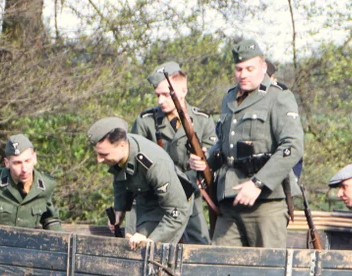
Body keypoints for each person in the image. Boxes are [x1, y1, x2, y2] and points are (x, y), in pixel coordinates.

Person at [189, 38, 304, 248]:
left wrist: (258, 183)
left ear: (263, 66)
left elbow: (292, 147)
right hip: (229, 200)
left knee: (267, 272)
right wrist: (205, 162)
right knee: (219, 266)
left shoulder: (278, 97)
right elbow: (225, 144)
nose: (243, 74)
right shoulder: (230, 98)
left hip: (265, 202)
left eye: (249, 68)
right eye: (239, 69)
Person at [130, 61, 218, 245]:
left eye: (166, 95)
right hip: (157, 199)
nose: (160, 101)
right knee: (149, 246)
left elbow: (215, 155)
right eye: (157, 95)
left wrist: (205, 163)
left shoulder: (202, 120)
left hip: (191, 195)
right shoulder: (146, 122)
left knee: (199, 245)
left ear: (183, 91)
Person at [88, 116, 193, 249]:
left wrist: (151, 239)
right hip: (146, 199)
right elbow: (120, 177)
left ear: (121, 145)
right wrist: (119, 209)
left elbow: (177, 211)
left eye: (104, 155)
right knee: (135, 244)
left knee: (150, 252)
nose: (99, 160)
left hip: (174, 205)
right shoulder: (120, 152)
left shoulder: (154, 164)